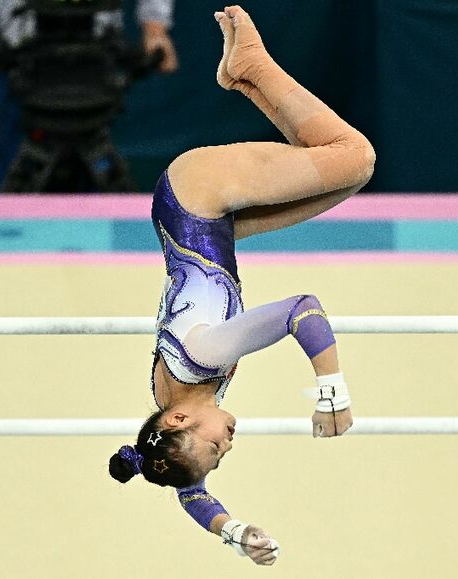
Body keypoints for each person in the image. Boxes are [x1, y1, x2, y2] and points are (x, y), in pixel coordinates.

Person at [108, 5, 375, 566]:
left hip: (198, 196)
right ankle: (246, 72)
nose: (227, 445)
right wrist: (234, 532)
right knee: (339, 183)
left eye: (216, 446)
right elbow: (187, 485)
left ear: (177, 423)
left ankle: (253, 65)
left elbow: (302, 310)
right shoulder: (175, 402)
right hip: (202, 220)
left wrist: (333, 392)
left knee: (354, 158)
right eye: (222, 456)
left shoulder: (202, 359)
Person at [0, 0, 178, 192]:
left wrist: (154, 27)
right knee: (8, 173)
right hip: (11, 55)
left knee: (97, 180)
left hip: (95, 51)